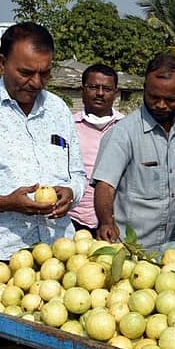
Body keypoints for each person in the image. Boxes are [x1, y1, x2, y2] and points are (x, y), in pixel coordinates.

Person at [0, 21, 86, 277]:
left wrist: (72, 193)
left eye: (44, 73)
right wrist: (4, 203)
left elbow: (78, 175)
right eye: (25, 72)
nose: (36, 82)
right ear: (3, 64)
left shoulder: (58, 110)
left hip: (58, 254)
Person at [92, 54, 175, 253]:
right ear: (144, 89)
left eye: (170, 99)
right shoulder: (123, 132)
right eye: (154, 97)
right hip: (133, 249)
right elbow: (105, 186)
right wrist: (106, 222)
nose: (161, 105)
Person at [68, 64, 125, 236]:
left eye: (107, 89)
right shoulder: (67, 126)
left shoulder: (126, 128)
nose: (100, 93)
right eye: (93, 87)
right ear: (82, 90)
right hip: (74, 219)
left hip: (115, 223)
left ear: (115, 93)